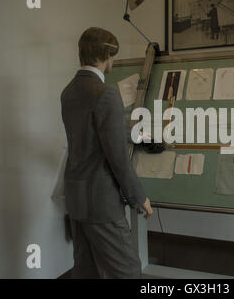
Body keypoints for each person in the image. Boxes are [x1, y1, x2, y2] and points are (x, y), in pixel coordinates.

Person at [61, 27, 153, 279]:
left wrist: (132, 133)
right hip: (101, 204)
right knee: (128, 271)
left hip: (77, 199)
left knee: (86, 270)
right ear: (107, 57)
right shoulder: (106, 93)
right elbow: (118, 159)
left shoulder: (68, 92)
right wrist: (139, 197)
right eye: (113, 56)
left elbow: (90, 135)